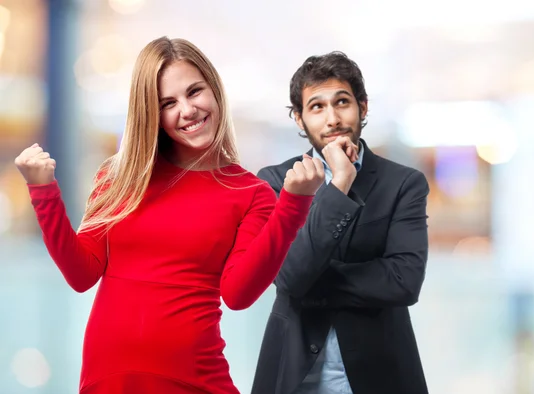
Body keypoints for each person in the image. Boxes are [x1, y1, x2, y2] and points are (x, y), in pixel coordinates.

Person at [14, 37, 325, 394]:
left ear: (215, 90)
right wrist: (43, 191)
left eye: (195, 92)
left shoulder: (250, 193)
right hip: (110, 379)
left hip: (193, 379)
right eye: (168, 103)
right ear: (153, 114)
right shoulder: (119, 177)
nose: (188, 110)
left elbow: (238, 294)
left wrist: (294, 205)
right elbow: (81, 273)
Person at [251, 51, 430, 394]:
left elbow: (403, 282)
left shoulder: (404, 184)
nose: (332, 119)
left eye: (342, 102)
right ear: (300, 120)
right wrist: (340, 183)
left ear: (363, 107)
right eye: (317, 107)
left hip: (380, 373)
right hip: (294, 373)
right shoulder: (276, 182)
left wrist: (308, 280)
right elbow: (288, 276)